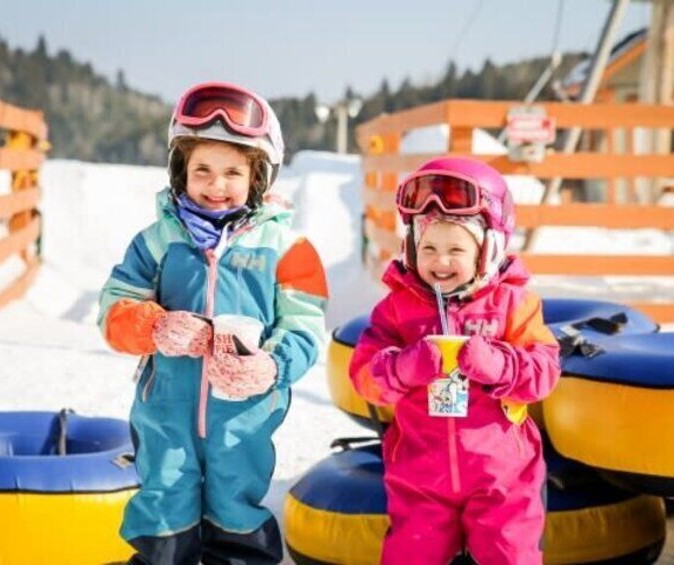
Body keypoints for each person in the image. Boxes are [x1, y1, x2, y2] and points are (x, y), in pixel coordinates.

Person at [97, 81, 328, 565]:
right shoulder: (157, 241)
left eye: (231, 172)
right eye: (202, 169)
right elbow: (114, 307)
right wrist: (154, 326)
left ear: (258, 176)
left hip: (244, 418)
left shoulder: (289, 249)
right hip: (165, 412)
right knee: (164, 508)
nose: (215, 185)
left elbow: (306, 324)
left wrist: (272, 365)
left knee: (235, 509)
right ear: (181, 171)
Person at [349, 156, 560, 564]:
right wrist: (404, 366)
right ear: (411, 247)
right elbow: (363, 375)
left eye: (456, 249)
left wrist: (497, 363)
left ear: (489, 249)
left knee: (509, 555)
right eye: (428, 247)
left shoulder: (512, 304)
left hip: (503, 476)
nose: (440, 262)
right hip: (420, 475)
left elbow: (545, 371)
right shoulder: (397, 309)